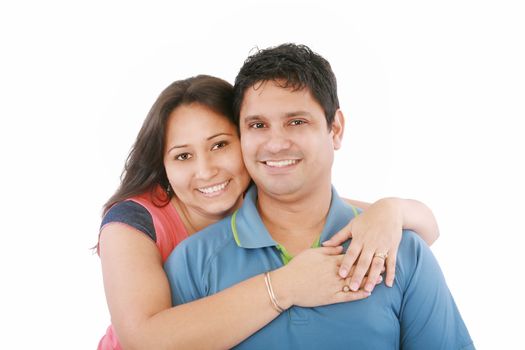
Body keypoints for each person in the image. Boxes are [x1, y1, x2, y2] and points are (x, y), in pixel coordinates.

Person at [165, 44, 474, 349]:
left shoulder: (403, 251)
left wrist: (391, 209)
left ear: (335, 129)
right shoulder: (192, 263)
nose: (275, 144)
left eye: (296, 122)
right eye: (258, 125)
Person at [98, 75, 440, 349]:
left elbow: (426, 227)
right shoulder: (132, 223)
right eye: (183, 156)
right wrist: (287, 286)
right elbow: (143, 340)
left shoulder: (257, 192)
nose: (206, 171)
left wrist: (389, 210)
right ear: (163, 164)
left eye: (220, 145)